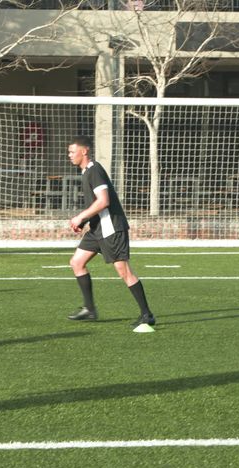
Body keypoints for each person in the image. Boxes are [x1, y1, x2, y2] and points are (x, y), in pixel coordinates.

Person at [65, 135, 155, 329]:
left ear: (84, 151)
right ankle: (89, 309)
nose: (69, 155)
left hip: (111, 229)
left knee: (124, 272)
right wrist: (85, 220)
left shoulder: (94, 170)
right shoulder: (86, 172)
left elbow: (104, 201)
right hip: (97, 229)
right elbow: (97, 204)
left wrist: (80, 217)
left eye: (72, 151)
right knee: (77, 262)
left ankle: (147, 314)